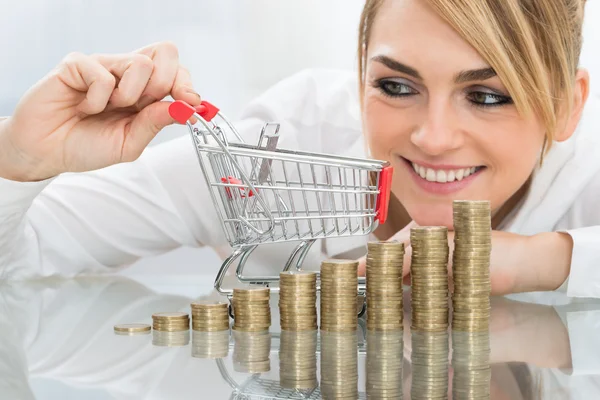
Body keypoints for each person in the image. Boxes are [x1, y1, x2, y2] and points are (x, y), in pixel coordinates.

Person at [0, 0, 596, 297]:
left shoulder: (586, 180)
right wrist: (18, 163)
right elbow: (22, 259)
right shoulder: (277, 151)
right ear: (358, 75)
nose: (434, 137)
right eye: (395, 86)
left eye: (489, 96)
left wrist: (540, 261)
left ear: (568, 106)